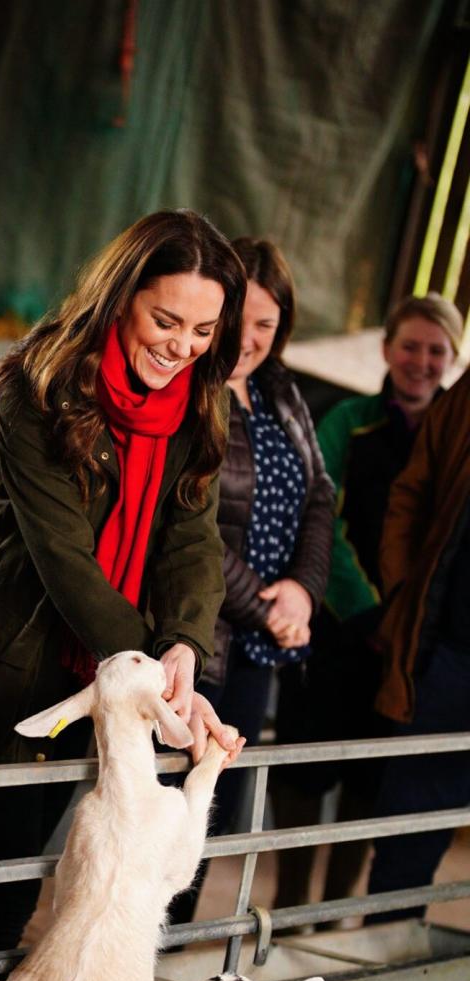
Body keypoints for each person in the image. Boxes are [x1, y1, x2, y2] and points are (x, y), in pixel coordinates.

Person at [0, 209, 246, 981]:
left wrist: (182, 643)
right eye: (165, 320)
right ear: (121, 297)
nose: (182, 348)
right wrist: (153, 672)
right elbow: (64, 561)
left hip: (101, 680)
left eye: (205, 331)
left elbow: (191, 542)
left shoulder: (199, 405)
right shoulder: (37, 388)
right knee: (9, 881)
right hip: (11, 672)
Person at [272, 293, 463, 913]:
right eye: (410, 345)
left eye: (436, 351)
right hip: (339, 629)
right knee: (308, 767)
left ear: (452, 359)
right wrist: (369, 612)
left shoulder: (450, 425)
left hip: (407, 645)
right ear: (386, 349)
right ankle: (294, 902)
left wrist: (404, 620)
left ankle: (334, 909)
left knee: (371, 775)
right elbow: (320, 515)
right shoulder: (346, 419)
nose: (421, 361)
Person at [166, 237, 334, 927]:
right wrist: (268, 607)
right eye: (240, 318)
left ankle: (165, 971)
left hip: (257, 650)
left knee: (215, 815)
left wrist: (303, 591)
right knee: (168, 817)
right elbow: (185, 525)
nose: (251, 338)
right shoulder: (191, 389)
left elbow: (321, 494)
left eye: (268, 323)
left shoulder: (280, 392)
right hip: (197, 639)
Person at [365, 366, 470, 921]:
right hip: (450, 659)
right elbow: (411, 492)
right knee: (407, 839)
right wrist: (404, 589)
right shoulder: (463, 398)